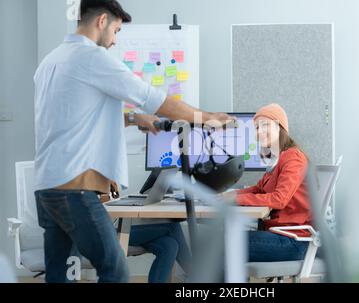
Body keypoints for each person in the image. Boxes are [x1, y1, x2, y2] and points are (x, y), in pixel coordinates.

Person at [34, 0, 233, 283]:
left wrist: (132, 119)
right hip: (75, 189)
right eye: (115, 30)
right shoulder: (91, 58)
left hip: (47, 188)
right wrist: (206, 117)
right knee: (114, 270)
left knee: (60, 273)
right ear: (101, 21)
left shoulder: (51, 60)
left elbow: (70, 117)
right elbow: (156, 99)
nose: (115, 41)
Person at [223, 103, 312, 262]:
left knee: (223, 244)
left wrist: (236, 199)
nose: (259, 131)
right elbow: (258, 189)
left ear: (279, 127)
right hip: (279, 234)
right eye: (257, 128)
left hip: (292, 240)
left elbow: (279, 199)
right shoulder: (278, 159)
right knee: (223, 240)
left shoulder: (293, 158)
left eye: (265, 125)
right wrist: (230, 194)